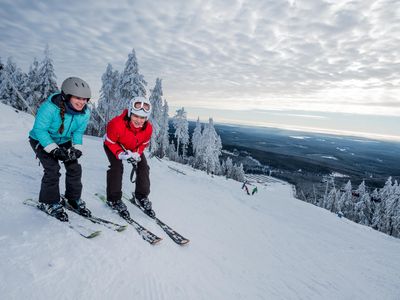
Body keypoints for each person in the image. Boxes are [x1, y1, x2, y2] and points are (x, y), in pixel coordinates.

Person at [29, 77, 92, 222]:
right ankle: (48, 201)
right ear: (67, 96)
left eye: (85, 99)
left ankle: (73, 199)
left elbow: (77, 132)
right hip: (41, 139)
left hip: (64, 141)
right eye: (78, 98)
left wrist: (76, 148)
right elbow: (40, 130)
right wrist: (53, 150)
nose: (82, 102)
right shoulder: (49, 108)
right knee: (52, 169)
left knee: (74, 168)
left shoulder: (85, 113)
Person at [103, 96, 154, 218]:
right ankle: (114, 199)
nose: (139, 120)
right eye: (136, 116)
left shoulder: (148, 128)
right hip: (114, 145)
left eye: (142, 118)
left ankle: (141, 196)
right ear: (130, 113)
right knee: (116, 167)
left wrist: (136, 153)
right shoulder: (116, 124)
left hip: (133, 148)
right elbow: (110, 142)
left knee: (144, 167)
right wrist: (121, 154)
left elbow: (144, 143)